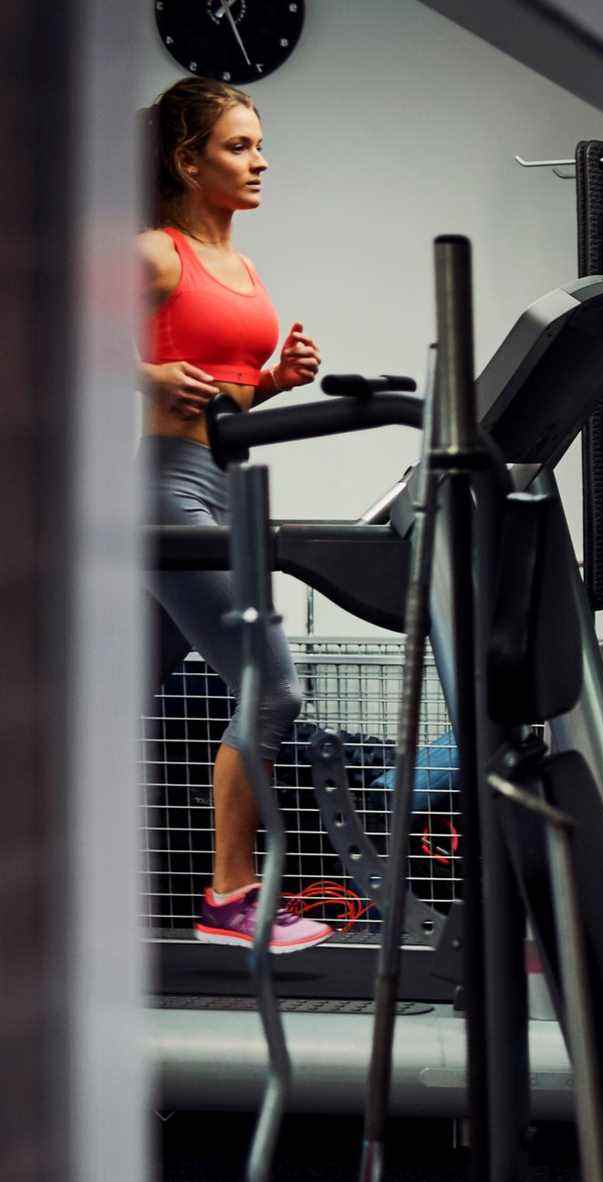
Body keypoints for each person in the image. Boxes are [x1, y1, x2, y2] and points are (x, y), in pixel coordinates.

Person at [140, 77, 331, 953]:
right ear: (189, 161)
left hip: (223, 485)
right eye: (238, 146)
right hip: (166, 493)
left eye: (258, 145)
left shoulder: (243, 268)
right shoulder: (154, 254)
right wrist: (141, 376)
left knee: (103, 705)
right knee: (273, 686)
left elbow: (227, 403)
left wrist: (275, 383)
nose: (259, 162)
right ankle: (229, 897)